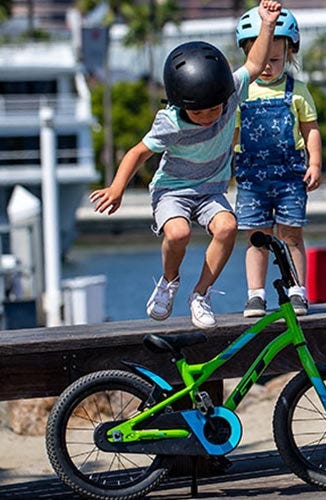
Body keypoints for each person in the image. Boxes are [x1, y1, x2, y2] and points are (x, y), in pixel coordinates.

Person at [89, 0, 284, 328]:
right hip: (172, 191)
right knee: (178, 234)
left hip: (210, 191)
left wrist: (266, 24)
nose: (209, 117)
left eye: (214, 109)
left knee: (227, 227)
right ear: (181, 105)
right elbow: (138, 152)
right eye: (199, 112)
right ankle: (168, 283)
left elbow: (254, 63)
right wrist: (117, 188)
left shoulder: (230, 93)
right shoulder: (170, 122)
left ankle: (200, 295)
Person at [233, 7, 321, 317]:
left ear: (289, 53)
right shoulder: (241, 92)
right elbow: (233, 134)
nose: (268, 67)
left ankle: (297, 290)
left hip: (290, 176)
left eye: (275, 60)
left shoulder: (297, 91)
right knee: (257, 238)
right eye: (262, 59)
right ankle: (255, 295)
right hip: (252, 178)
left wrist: (315, 164)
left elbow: (310, 130)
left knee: (292, 235)